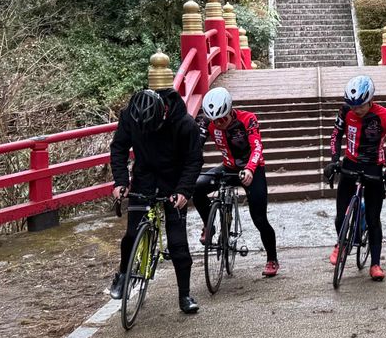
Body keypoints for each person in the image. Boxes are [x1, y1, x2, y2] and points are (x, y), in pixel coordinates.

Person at [108, 87, 204, 314]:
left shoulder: (184, 124)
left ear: (163, 113)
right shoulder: (131, 115)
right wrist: (120, 182)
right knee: (131, 234)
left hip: (174, 180)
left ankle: (184, 294)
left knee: (177, 242)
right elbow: (119, 148)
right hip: (144, 176)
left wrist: (183, 191)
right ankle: (123, 274)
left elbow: (194, 160)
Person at [192, 87, 280, 277]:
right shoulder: (207, 122)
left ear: (230, 110)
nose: (219, 123)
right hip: (227, 167)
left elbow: (257, 147)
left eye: (222, 119)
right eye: (215, 121)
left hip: (251, 169)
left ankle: (272, 258)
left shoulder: (247, 119)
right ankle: (209, 225)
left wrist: (250, 169)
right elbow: (195, 147)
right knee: (197, 187)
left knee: (259, 219)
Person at [324, 75, 386, 281]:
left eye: (361, 106)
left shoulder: (385, 117)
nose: (356, 109)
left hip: (374, 166)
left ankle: (375, 264)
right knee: (340, 215)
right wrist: (334, 161)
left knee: (374, 220)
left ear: (370, 100)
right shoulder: (345, 111)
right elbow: (336, 135)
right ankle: (341, 243)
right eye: (353, 106)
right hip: (350, 163)